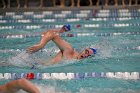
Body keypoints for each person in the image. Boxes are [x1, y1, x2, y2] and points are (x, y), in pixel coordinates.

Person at [27, 24, 97, 65]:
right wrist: (41, 45)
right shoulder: (69, 51)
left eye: (88, 56)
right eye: (86, 52)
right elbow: (52, 33)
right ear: (84, 50)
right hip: (35, 65)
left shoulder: (76, 63)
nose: (85, 55)